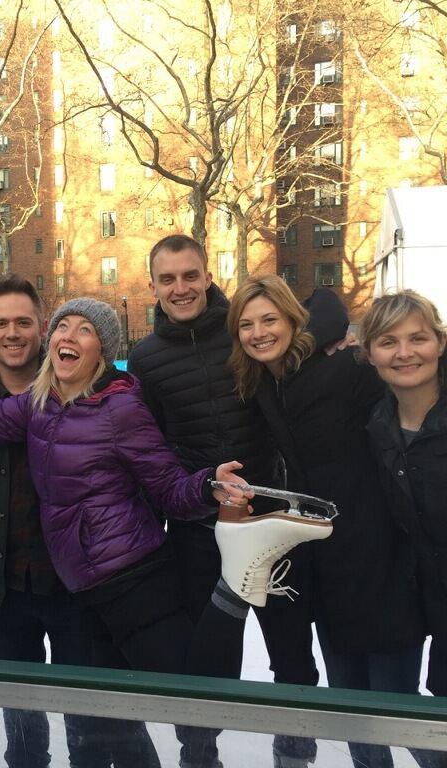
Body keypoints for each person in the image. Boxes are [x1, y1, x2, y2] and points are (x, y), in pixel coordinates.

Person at [0, 297, 333, 767]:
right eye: (63, 326)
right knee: (106, 718)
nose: (69, 335)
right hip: (85, 591)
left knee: (191, 692)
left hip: (134, 576)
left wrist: (208, 486)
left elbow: (167, 486)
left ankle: (235, 584)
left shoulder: (121, 405)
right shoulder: (38, 404)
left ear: (101, 350)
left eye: (84, 330)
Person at [0, 275, 160, 768]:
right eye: (1, 324)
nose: (13, 333)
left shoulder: (82, 387)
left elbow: (139, 481)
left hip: (78, 588)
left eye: (23, 322)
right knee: (23, 724)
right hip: (2, 588)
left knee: (98, 719)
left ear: (41, 329)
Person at [128, 235, 321, 768]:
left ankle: (295, 755)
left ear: (207, 275)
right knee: (208, 660)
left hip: (274, 524)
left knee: (292, 656)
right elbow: (154, 449)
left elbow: (303, 334)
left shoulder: (243, 332)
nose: (181, 288)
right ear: (153, 285)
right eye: (168, 279)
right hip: (198, 533)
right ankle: (199, 755)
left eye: (190, 275)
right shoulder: (145, 358)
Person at [227, 275, 425, 768]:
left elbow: (409, 384)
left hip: (381, 564)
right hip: (330, 566)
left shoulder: (344, 368)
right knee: (350, 714)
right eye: (247, 325)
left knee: (399, 712)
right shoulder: (268, 386)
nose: (259, 333)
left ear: (295, 321)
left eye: (270, 319)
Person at [360, 291, 447, 700]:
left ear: (440, 343)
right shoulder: (378, 424)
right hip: (422, 598)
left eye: (418, 338)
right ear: (371, 353)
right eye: (389, 342)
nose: (405, 353)